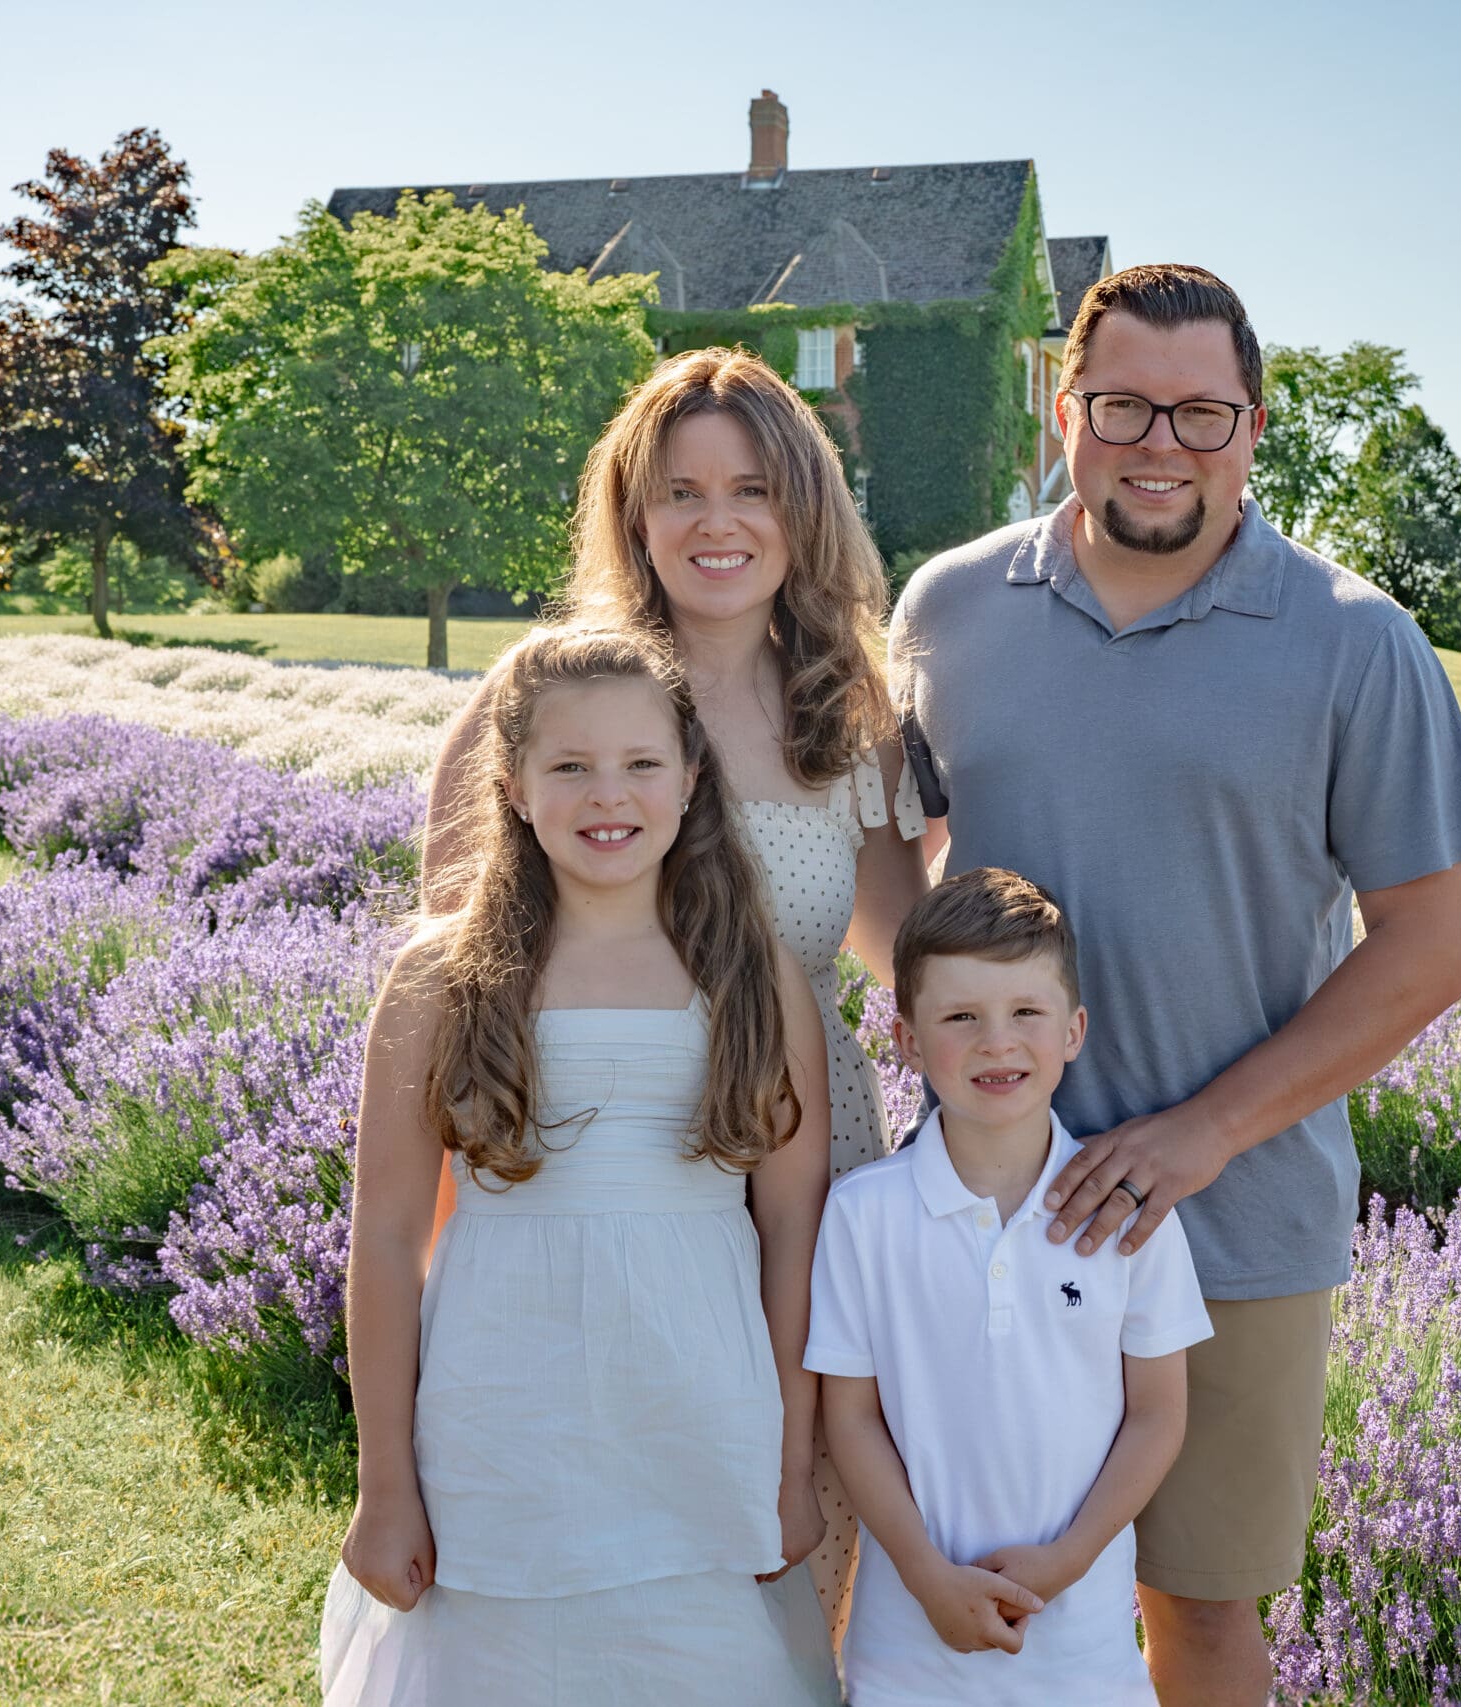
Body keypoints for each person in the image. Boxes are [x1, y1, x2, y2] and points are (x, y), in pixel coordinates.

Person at [891, 264, 1461, 1705]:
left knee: (1204, 1620)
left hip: (1237, 1231)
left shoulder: (1356, 639)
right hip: (976, 1215)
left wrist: (1198, 1133)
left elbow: (1429, 944)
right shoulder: (949, 609)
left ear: (1254, 426)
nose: (1161, 441)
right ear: (1068, 407)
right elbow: (897, 875)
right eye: (1124, 404)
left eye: (1202, 413)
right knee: (952, 1588)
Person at [422, 347, 928, 1641]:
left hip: (805, 1190)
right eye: (682, 490)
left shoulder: (851, 712)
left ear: (801, 507)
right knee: (594, 1565)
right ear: (634, 516)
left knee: (777, 1566)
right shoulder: (548, 698)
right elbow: (453, 981)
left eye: (752, 488)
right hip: (591, 1188)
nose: (717, 521)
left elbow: (903, 949)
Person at [320, 625, 838, 1705]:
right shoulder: (441, 976)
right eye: (570, 767)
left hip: (700, 1412)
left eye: (643, 763)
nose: (611, 795)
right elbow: (383, 1237)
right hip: (501, 1419)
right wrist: (384, 1484)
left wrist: (790, 1463)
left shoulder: (751, 974)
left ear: (692, 780)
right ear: (510, 786)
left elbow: (793, 1227)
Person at [806, 867, 1212, 1705]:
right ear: (908, 1041)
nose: (997, 1042)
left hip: (1084, 1659)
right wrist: (925, 1575)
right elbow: (848, 1417)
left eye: (1026, 1012)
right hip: (907, 1658)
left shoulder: (1130, 1215)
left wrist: (1066, 1562)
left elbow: (1158, 1413)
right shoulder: (863, 1216)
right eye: (961, 1017)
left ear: (1074, 1029)